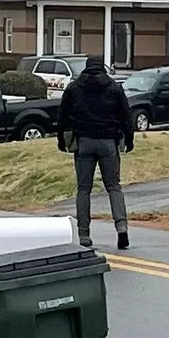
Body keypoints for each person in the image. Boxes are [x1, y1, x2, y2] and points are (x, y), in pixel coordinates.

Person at [57, 55, 135, 249]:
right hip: (109, 141)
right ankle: (122, 227)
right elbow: (126, 115)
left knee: (84, 189)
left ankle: (84, 234)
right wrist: (129, 139)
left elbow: (62, 115)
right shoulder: (114, 87)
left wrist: (61, 140)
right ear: (102, 68)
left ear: (86, 67)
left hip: (83, 142)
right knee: (114, 186)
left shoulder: (74, 87)